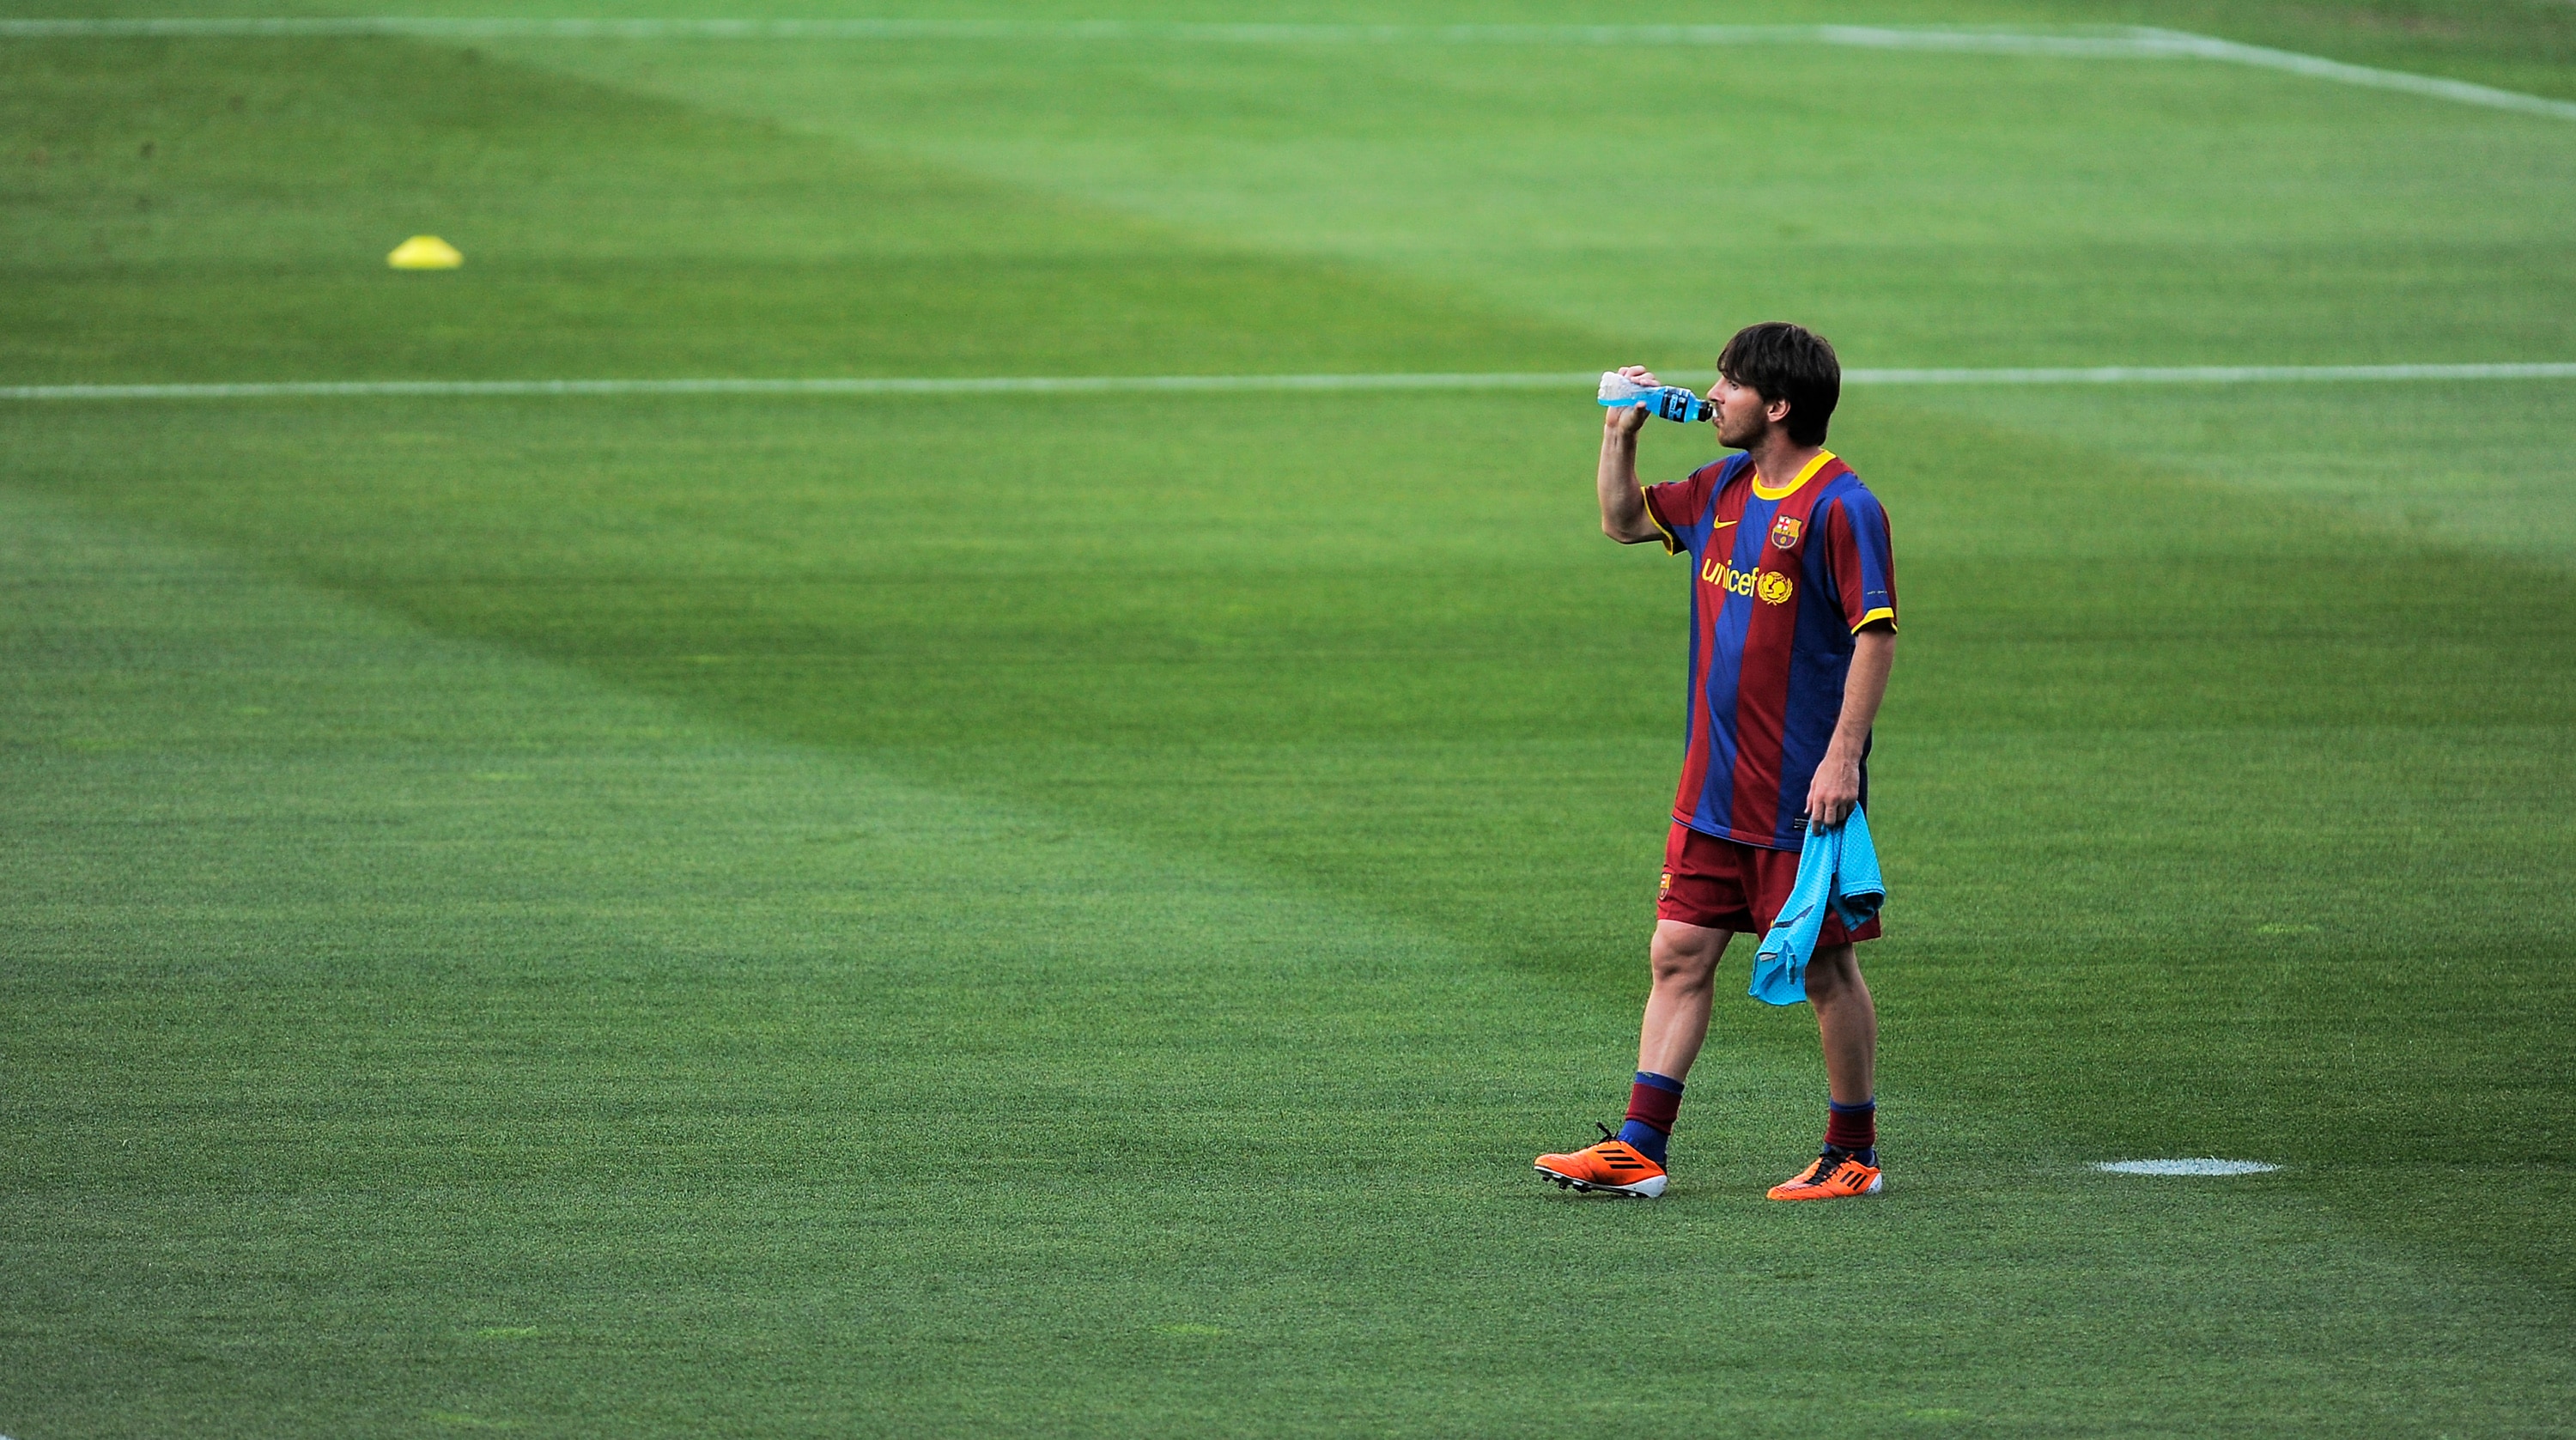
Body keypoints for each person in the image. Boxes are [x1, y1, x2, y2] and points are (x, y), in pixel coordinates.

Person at [1534, 322, 1899, 1201]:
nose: (1713, 397)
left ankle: (1853, 1154)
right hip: (1711, 786)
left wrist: (1842, 760)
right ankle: (1639, 1149)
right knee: (1679, 953)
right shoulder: (1721, 485)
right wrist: (1619, 434)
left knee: (1824, 967)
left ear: (1777, 406)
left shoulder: (1842, 507)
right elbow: (1623, 522)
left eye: (1730, 385)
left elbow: (1874, 637)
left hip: (1797, 792)